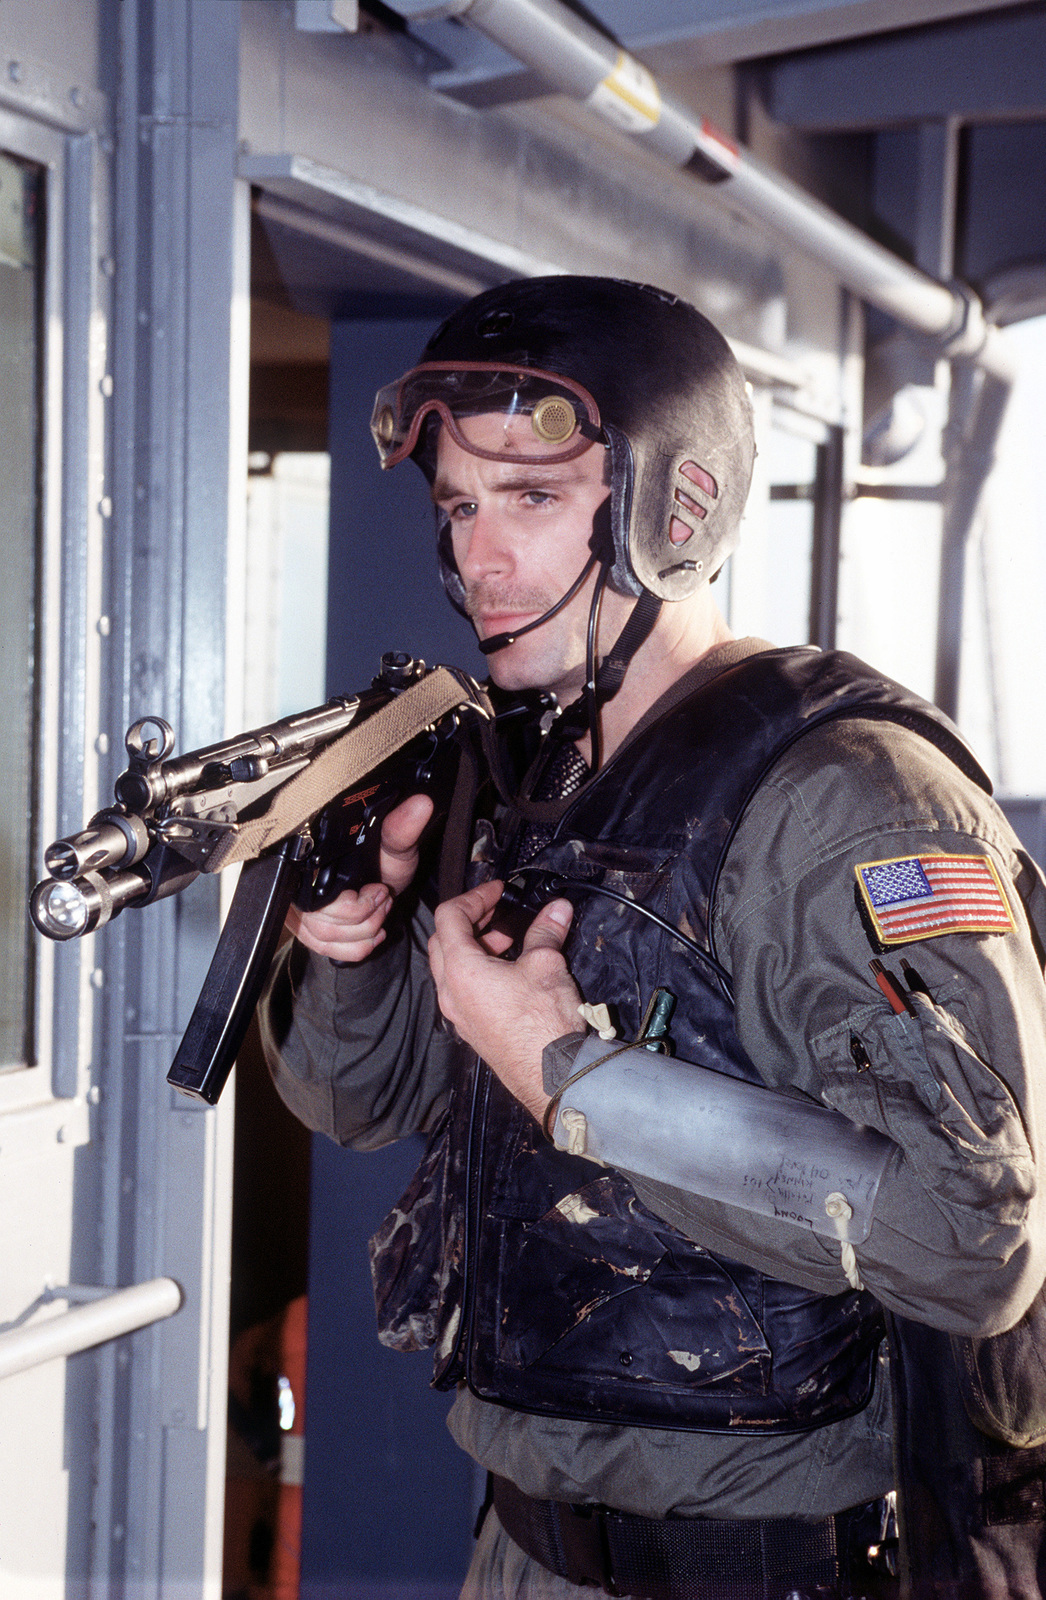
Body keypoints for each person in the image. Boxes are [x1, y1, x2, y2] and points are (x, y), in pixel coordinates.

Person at [260, 277, 1046, 1600]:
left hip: (774, 1562)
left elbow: (973, 1241)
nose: (476, 558)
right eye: (459, 506)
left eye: (531, 500)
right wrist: (349, 952)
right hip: (526, 1548)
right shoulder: (531, 778)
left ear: (669, 508)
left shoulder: (847, 798)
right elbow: (361, 1103)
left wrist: (569, 1073)